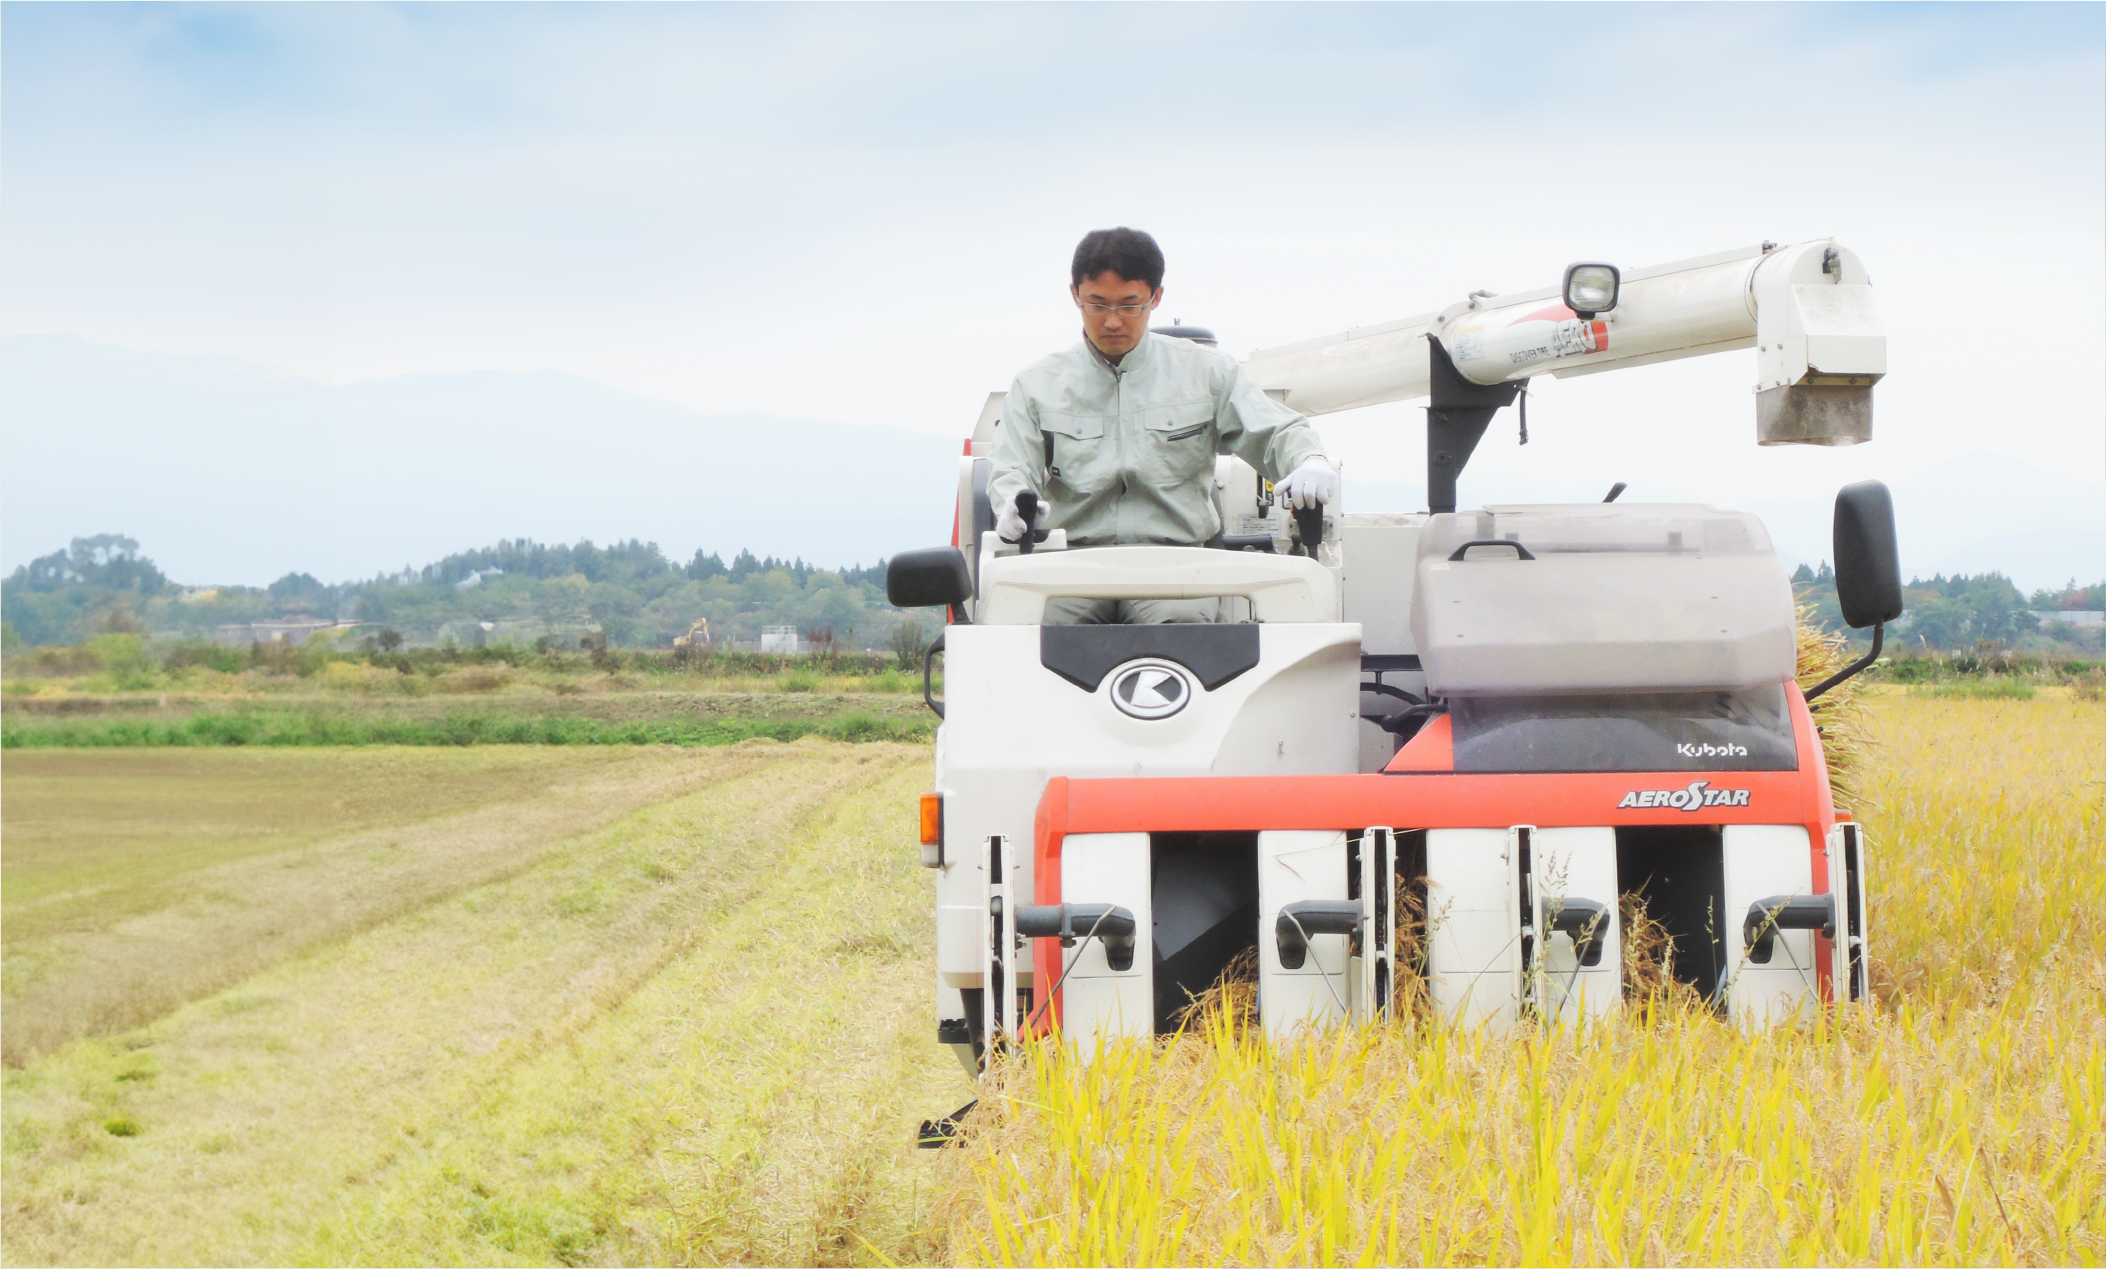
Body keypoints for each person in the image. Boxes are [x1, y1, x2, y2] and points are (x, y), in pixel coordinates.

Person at [987, 227, 1338, 625]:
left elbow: (1275, 431)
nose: (1113, 321)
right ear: (1074, 295)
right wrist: (1013, 503)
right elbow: (1012, 466)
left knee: (1181, 641)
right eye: (1097, 305)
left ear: (1156, 297)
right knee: (1026, 634)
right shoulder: (1035, 385)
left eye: (1129, 305)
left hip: (1177, 568)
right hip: (1070, 565)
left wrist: (1311, 458)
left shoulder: (1208, 374)